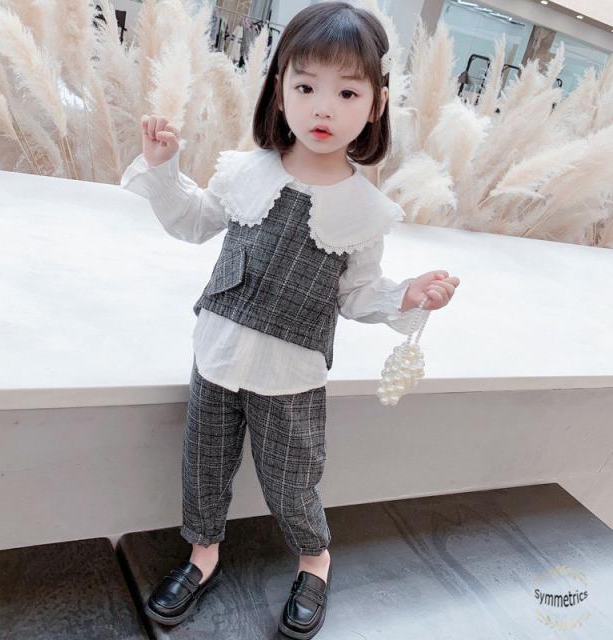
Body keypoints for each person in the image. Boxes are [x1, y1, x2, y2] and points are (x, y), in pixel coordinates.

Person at [119, 2, 459, 637]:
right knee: (204, 462)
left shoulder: (364, 209)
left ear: (376, 105)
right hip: (217, 352)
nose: (323, 108)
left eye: (347, 92)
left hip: (292, 373)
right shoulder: (246, 171)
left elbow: (357, 295)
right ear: (280, 90)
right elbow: (192, 222)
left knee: (292, 479)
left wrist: (407, 295)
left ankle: (315, 559)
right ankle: (202, 553)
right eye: (306, 87)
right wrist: (163, 167)